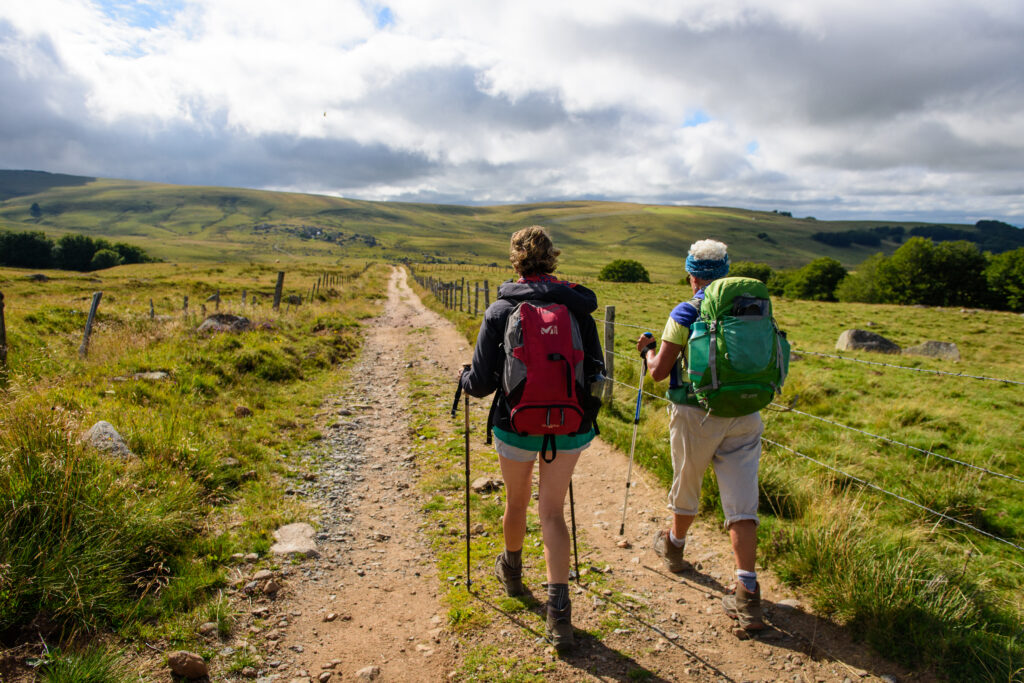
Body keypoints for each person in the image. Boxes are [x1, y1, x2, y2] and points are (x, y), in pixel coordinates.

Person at [460, 226, 604, 652]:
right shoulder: (577, 310)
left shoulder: (500, 309)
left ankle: (513, 573)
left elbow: (482, 383)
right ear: (553, 258)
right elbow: (595, 370)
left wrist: (464, 379)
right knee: (553, 513)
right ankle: (559, 614)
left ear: (516, 259)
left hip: (515, 423)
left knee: (516, 502)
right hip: (569, 423)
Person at [635, 238, 766, 632]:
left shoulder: (686, 310)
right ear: (725, 272)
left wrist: (646, 352)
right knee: (743, 502)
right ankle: (747, 592)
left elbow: (659, 372)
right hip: (745, 411)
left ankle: (674, 549)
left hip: (697, 412)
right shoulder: (750, 307)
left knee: (687, 482)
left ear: (691, 273)